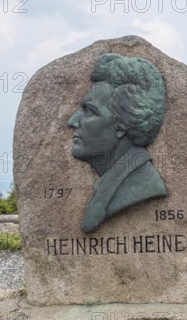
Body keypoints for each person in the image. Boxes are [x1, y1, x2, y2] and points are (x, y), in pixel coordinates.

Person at [68, 53, 168, 233]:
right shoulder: (112, 180)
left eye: (89, 111)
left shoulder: (144, 185)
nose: (73, 121)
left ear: (123, 124)